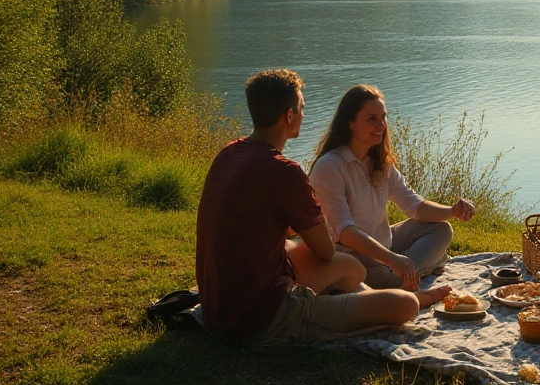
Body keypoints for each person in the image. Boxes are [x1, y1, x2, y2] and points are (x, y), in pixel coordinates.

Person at [195, 70, 449, 345]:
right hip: (264, 315)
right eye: (302, 108)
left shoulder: (228, 153)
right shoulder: (285, 171)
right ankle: (408, 296)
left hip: (217, 307)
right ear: (289, 115)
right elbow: (326, 250)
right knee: (404, 306)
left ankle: (374, 289)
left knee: (351, 267)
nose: (304, 115)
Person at [310, 85, 476, 291]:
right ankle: (423, 266)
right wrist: (392, 260)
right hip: (351, 258)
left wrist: (452, 211)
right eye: (371, 119)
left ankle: (415, 268)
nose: (381, 125)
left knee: (441, 229)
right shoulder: (330, 166)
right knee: (389, 280)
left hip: (385, 242)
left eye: (383, 117)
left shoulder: (380, 162)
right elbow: (344, 231)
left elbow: (414, 205)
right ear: (350, 123)